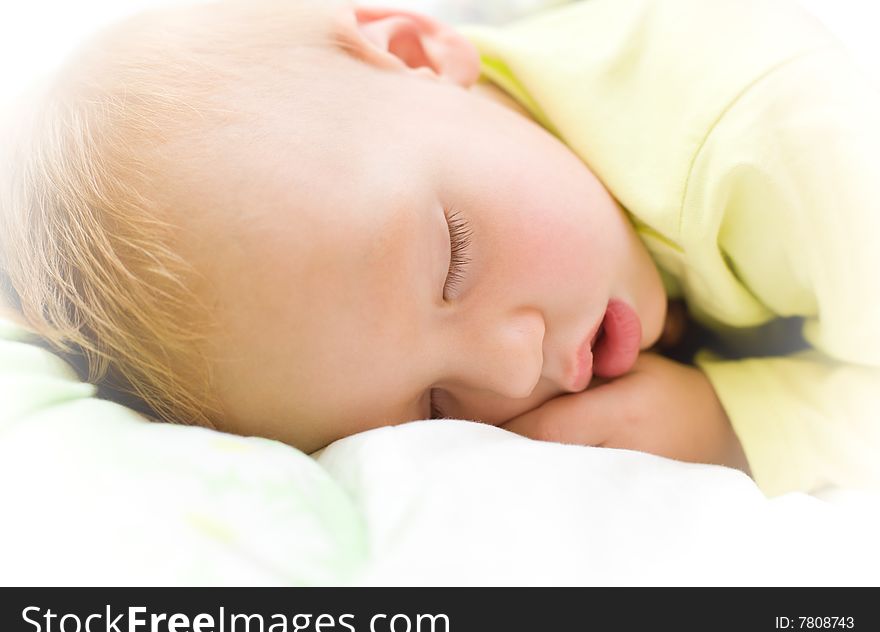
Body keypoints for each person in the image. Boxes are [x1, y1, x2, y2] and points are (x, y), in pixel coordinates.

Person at [1, 0, 877, 497]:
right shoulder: (413, 163)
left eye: (456, 256)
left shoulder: (778, 137)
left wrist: (737, 424)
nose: (511, 367)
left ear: (419, 48)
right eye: (434, 406)